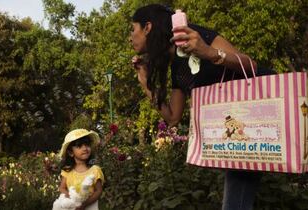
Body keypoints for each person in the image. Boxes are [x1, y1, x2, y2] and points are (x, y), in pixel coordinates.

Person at [130, 4, 274, 210]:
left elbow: (249, 65)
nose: (130, 37)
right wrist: (145, 83)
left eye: (132, 29)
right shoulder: (176, 66)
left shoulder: (197, 35)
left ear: (148, 27)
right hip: (243, 129)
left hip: (271, 102)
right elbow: (172, 118)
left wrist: (208, 52)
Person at [57, 129, 104, 210]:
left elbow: (98, 191)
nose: (85, 148)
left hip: (90, 206)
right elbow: (62, 188)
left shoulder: (95, 170)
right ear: (71, 153)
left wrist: (84, 204)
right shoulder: (67, 171)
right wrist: (73, 199)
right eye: (79, 146)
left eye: (87, 145)